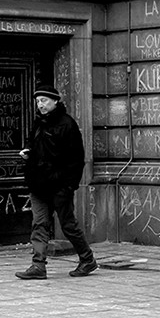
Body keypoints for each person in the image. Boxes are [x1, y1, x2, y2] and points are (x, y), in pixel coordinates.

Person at [15, 84, 97, 280]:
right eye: (37, 102)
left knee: (68, 225)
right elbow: (32, 143)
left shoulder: (67, 124)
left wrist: (69, 186)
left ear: (55, 101)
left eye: (44, 101)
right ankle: (38, 266)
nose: (40, 105)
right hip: (38, 184)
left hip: (60, 186)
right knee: (39, 224)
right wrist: (27, 153)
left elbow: (77, 159)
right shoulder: (38, 122)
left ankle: (87, 259)